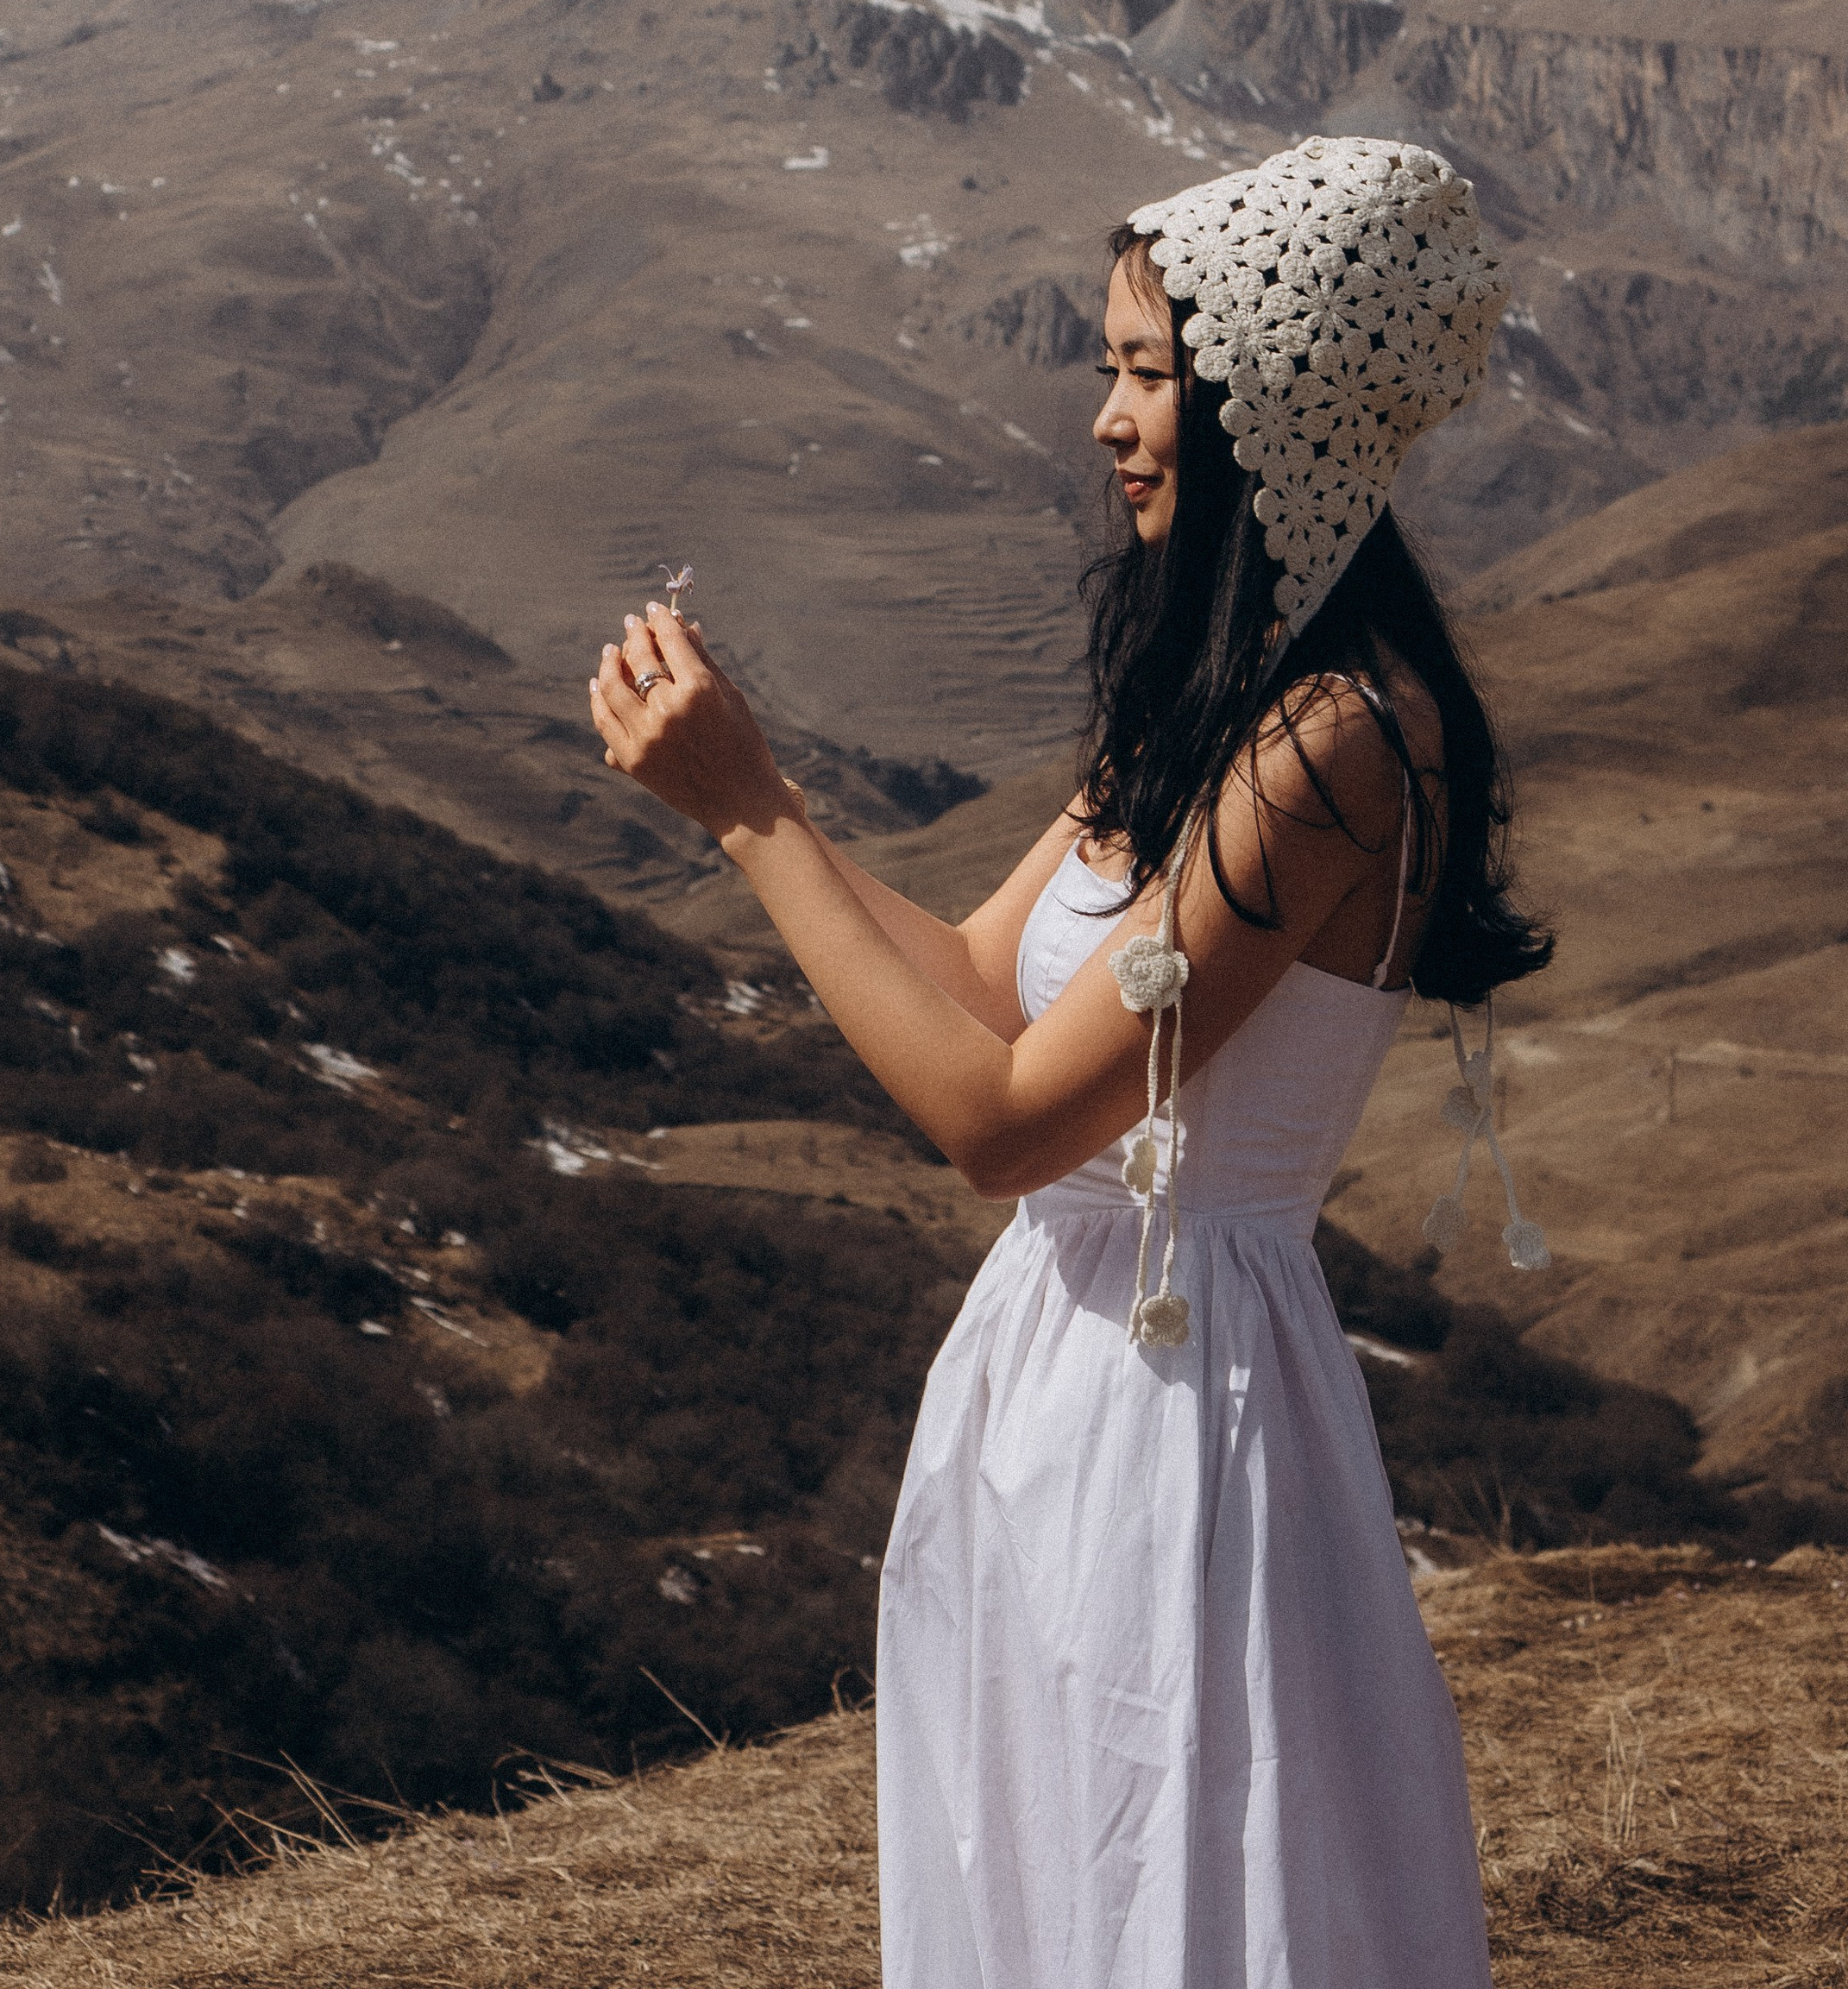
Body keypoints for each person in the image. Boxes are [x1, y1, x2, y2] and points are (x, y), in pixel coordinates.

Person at [588, 136, 1553, 1987]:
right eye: (1108, 365)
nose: (1106, 418)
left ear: (1276, 401)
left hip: (1183, 1422)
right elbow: (968, 975)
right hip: (1062, 1381)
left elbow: (1001, 1120)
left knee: (1165, 1901)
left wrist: (747, 824)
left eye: (1146, 373)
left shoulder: (1337, 743)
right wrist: (748, 776)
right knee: (1056, 1889)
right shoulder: (1211, 705)